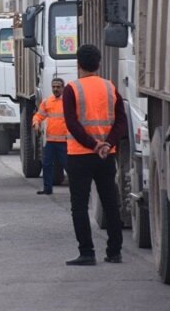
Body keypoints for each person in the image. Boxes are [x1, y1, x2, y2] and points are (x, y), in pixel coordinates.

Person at [62, 44, 127, 266]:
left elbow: (71, 124)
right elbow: (121, 122)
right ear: (98, 64)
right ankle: (115, 252)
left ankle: (87, 252)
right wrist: (106, 144)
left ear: (78, 64)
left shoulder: (71, 89)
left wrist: (93, 144)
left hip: (79, 155)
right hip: (106, 156)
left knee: (79, 205)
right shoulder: (110, 87)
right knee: (110, 202)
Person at [32, 77, 68, 195]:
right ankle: (47, 189)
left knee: (68, 166)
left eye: (58, 87)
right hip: (51, 141)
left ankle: (77, 189)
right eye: (53, 87)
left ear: (63, 88)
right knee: (46, 164)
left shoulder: (68, 102)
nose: (55, 89)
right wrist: (36, 123)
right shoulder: (47, 102)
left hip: (65, 141)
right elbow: (38, 115)